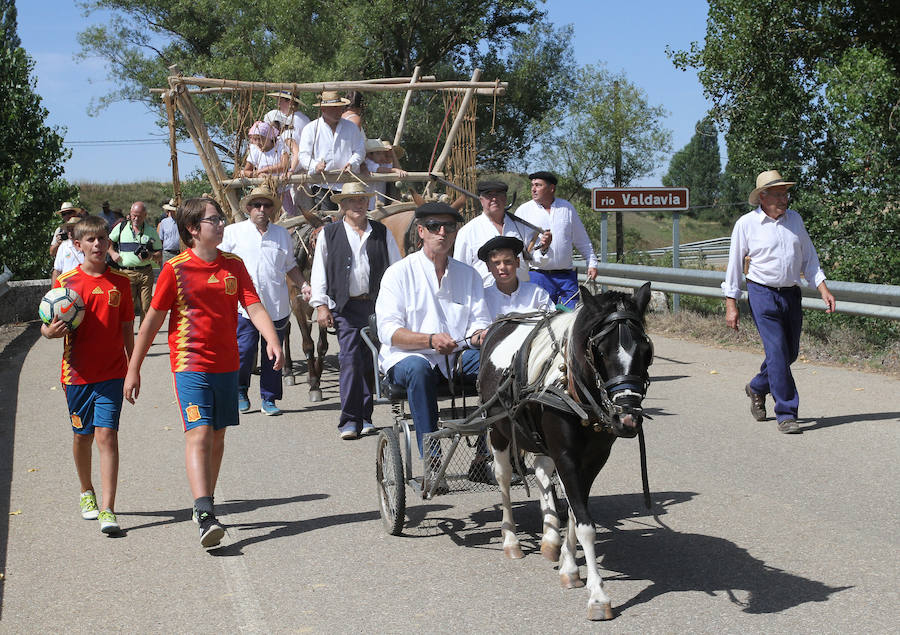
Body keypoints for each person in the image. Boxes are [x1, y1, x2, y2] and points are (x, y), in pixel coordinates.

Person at [124, 197, 284, 549]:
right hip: (189, 365)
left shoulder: (233, 265)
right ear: (193, 229)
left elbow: (253, 305)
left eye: (221, 218)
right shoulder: (175, 270)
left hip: (227, 366)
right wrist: (133, 368)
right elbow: (151, 322)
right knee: (199, 433)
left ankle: (204, 502)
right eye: (214, 219)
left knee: (218, 436)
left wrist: (272, 339)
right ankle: (205, 513)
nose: (222, 224)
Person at [375, 202, 491, 463]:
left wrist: (478, 337)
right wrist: (429, 340)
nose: (442, 232)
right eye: (433, 226)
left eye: (449, 226)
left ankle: (487, 453)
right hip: (407, 357)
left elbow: (479, 322)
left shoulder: (469, 274)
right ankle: (432, 457)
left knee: (498, 363)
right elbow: (388, 331)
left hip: (457, 356)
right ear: (421, 231)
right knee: (419, 368)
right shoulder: (398, 273)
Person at [723, 170, 836, 434]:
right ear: (763, 197)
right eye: (778, 194)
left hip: (790, 294)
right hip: (762, 293)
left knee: (789, 354)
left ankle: (757, 386)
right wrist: (732, 303)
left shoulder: (794, 220)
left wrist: (823, 289)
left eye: (785, 194)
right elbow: (734, 266)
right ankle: (786, 413)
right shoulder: (746, 224)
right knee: (776, 353)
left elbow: (809, 259)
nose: (784, 199)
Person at [42, 215, 135, 534]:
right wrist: (48, 332)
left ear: (109, 243)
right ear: (77, 245)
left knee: (107, 436)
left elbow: (127, 329)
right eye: (91, 240)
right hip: (76, 375)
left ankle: (109, 508)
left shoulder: (121, 283)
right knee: (82, 436)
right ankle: (87, 492)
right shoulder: (64, 284)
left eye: (102, 239)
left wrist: (133, 367)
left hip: (112, 375)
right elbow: (45, 324)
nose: (98, 244)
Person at [309, 182, 401, 440]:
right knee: (349, 360)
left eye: (362, 199)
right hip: (345, 307)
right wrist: (322, 305)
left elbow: (396, 270)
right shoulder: (330, 233)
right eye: (353, 200)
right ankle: (349, 420)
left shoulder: (382, 232)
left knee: (370, 362)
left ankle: (365, 417)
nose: (359, 204)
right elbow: (319, 271)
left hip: (376, 306)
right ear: (343, 205)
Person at [220, 186, 310, 417]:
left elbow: (290, 266)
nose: (261, 209)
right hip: (244, 306)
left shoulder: (282, 234)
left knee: (274, 354)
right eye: (256, 205)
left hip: (276, 305)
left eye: (266, 205)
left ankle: (269, 398)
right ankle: (240, 391)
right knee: (245, 350)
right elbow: (219, 261)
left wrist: (304, 285)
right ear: (248, 208)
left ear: (272, 209)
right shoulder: (233, 232)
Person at [514, 171, 598, 308]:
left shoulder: (566, 208)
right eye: (532, 185)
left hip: (566, 277)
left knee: (569, 320)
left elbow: (581, 238)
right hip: (537, 276)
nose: (533, 189)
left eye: (538, 185)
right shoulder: (524, 211)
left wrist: (592, 262)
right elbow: (518, 246)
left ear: (551, 188)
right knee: (541, 320)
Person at [454, 180, 552, 285]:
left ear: (505, 199)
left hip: (521, 294)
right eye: (489, 195)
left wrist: (544, 248)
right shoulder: (467, 231)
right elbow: (459, 269)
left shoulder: (521, 227)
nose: (494, 199)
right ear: (481, 200)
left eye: (499, 194)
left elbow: (537, 260)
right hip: (484, 295)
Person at [297, 91, 366, 211]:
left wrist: (352, 163)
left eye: (340, 108)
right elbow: (303, 155)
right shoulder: (311, 129)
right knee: (327, 221)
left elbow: (360, 151)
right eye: (334, 109)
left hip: (348, 184)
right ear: (323, 109)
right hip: (321, 185)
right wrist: (315, 166)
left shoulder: (352, 127)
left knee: (351, 219)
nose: (338, 112)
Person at [108, 201, 162, 324]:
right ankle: (128, 337)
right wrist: (112, 253)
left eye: (139, 216)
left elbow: (159, 254)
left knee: (146, 307)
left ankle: (144, 337)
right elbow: (108, 242)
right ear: (130, 214)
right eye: (133, 215)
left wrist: (151, 256)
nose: (136, 218)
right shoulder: (121, 227)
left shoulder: (151, 231)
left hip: (146, 273)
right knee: (128, 307)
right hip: (126, 273)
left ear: (145, 215)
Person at [479, 236, 554, 319]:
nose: (502, 267)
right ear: (488, 267)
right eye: (496, 263)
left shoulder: (536, 294)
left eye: (508, 262)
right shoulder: (482, 299)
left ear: (517, 262)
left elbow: (553, 322)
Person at [363, 138, 407, 210]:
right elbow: (379, 170)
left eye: (382, 153)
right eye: (378, 153)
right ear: (370, 155)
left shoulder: (383, 165)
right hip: (368, 205)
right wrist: (395, 170)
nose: (381, 156)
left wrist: (393, 152)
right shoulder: (368, 162)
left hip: (379, 204)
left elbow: (398, 168)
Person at [51, 215, 85, 283]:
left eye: (73, 229)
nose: (70, 232)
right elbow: (57, 271)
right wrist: (54, 292)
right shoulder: (63, 246)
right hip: (67, 287)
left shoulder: (88, 246)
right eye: (68, 229)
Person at [157, 198, 180, 264]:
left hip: (180, 254)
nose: (172, 212)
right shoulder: (164, 222)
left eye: (173, 211)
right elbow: (160, 240)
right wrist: (159, 255)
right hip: (167, 254)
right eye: (170, 210)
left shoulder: (182, 222)